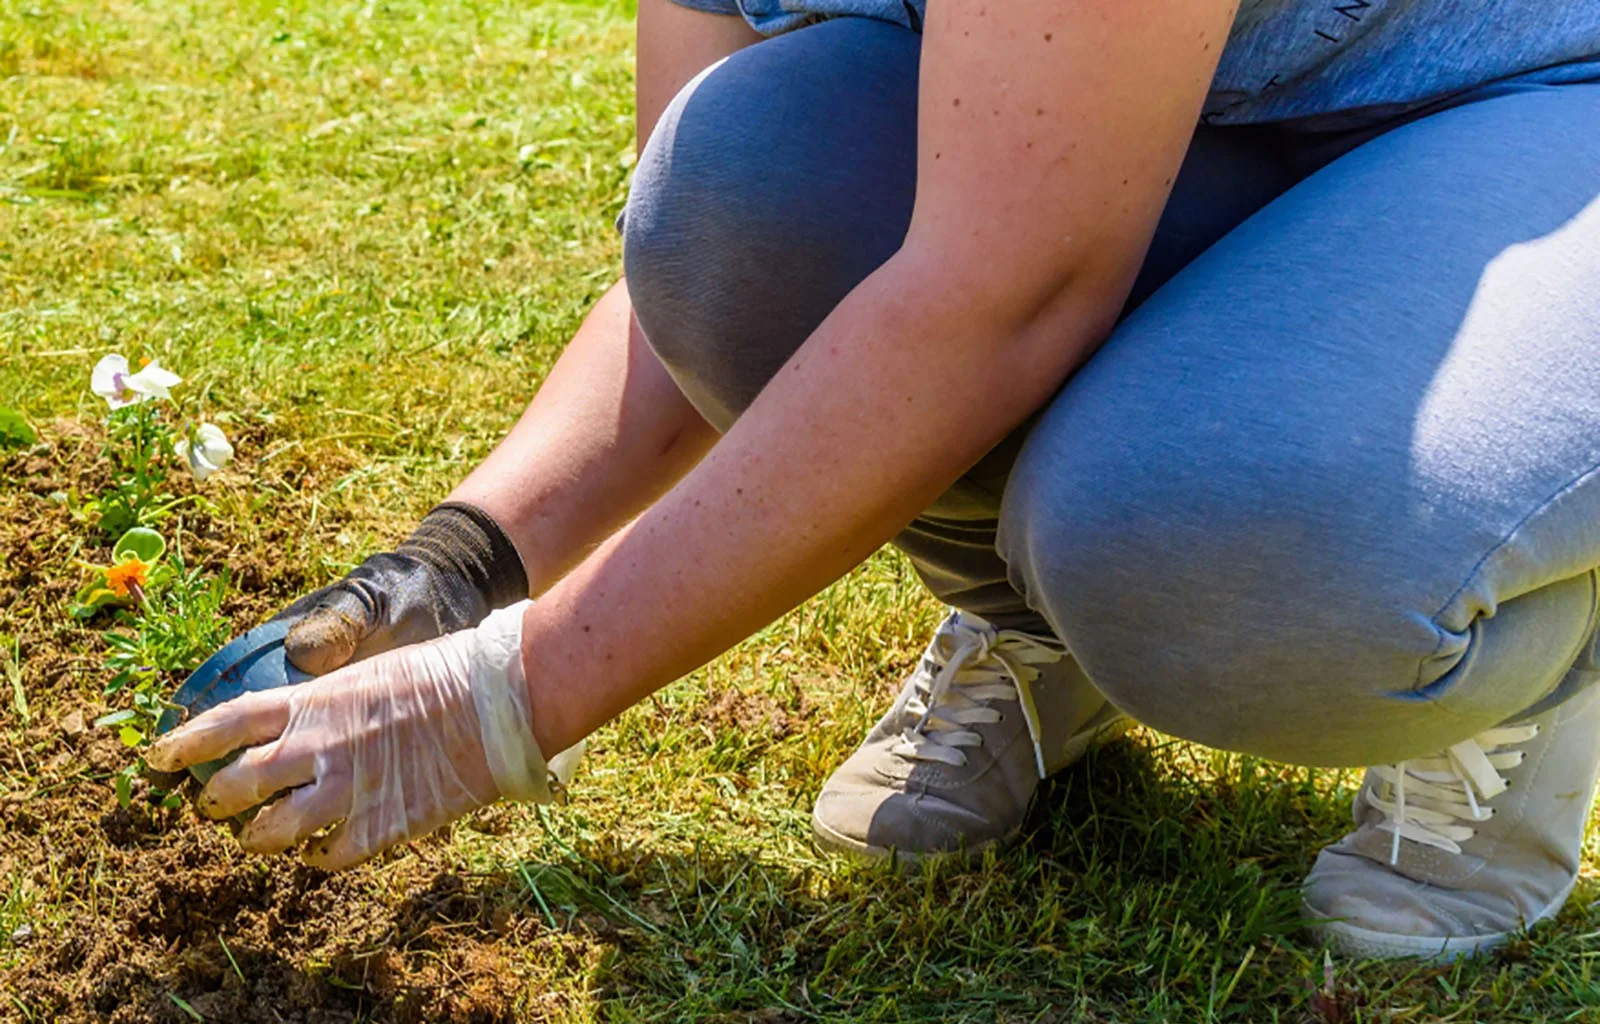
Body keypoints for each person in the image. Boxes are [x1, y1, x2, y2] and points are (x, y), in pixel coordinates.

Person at [148, 0, 1600, 962]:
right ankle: (1034, 628)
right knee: (743, 187)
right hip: (1188, 124)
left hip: (1527, 126)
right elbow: (694, 283)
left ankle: (1521, 617)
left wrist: (505, 702)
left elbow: (1005, 297)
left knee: (1217, 527)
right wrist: (453, 570)